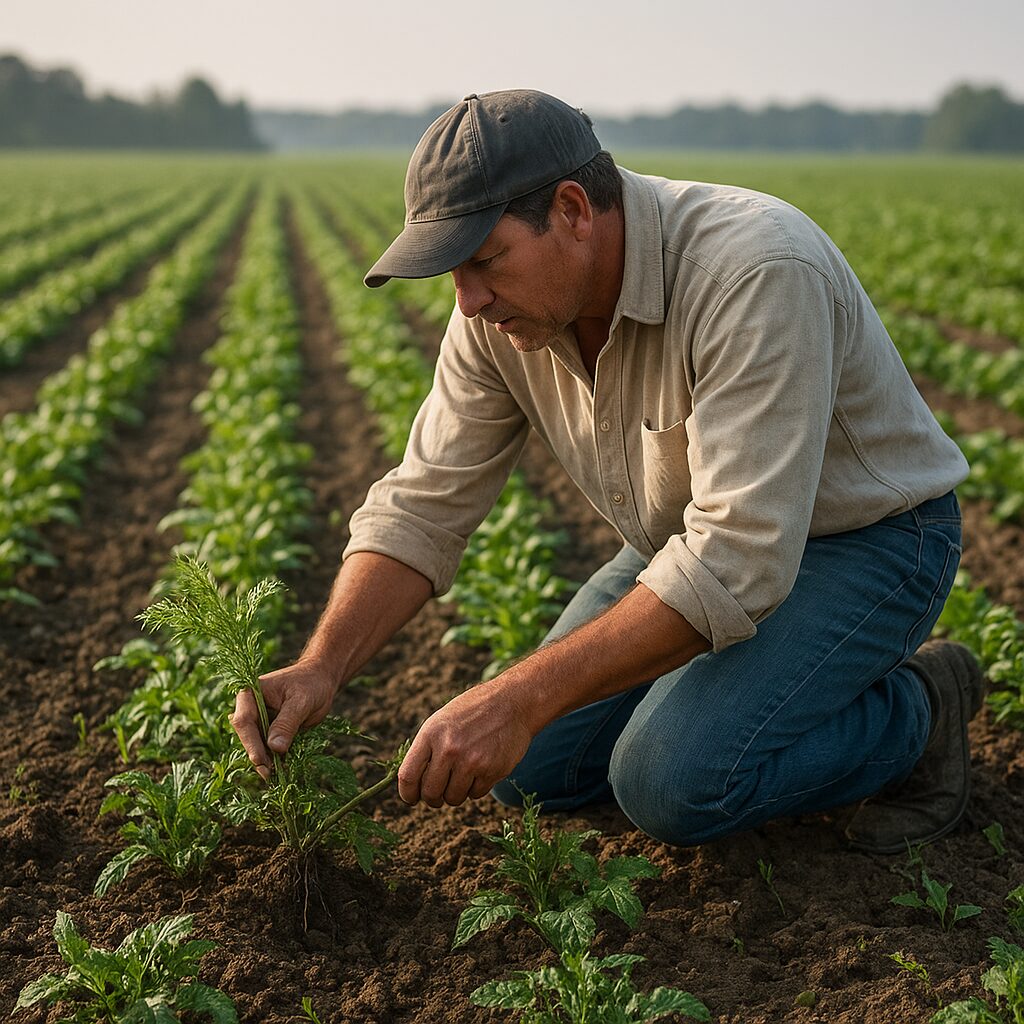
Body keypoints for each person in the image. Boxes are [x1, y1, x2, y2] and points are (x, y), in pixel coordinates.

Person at [232, 89, 983, 854]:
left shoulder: (753, 271)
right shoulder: (496, 314)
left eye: (485, 260)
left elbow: (739, 555)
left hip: (869, 541)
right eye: (453, 272)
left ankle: (922, 713)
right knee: (534, 774)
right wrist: (322, 666)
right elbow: (425, 502)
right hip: (688, 542)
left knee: (667, 781)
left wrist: (518, 698)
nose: (469, 300)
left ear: (572, 210)